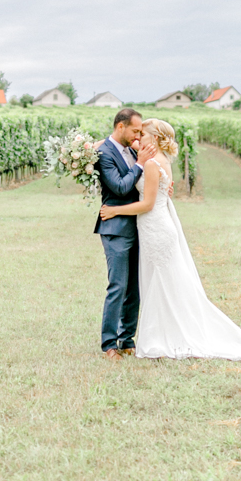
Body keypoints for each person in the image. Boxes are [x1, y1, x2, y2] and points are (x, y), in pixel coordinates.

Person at [100, 118, 241, 361]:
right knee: (165, 282)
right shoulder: (162, 161)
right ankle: (166, 333)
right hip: (158, 227)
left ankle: (163, 337)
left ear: (155, 139)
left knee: (159, 282)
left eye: (143, 135)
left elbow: (147, 203)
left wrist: (115, 211)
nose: (138, 139)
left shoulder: (149, 164)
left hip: (154, 227)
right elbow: (158, 190)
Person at [93, 108, 157, 360]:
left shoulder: (132, 150)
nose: (138, 135)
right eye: (135, 130)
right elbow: (119, 188)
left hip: (140, 225)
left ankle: (127, 337)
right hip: (115, 228)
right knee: (118, 285)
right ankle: (109, 344)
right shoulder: (104, 153)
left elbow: (142, 184)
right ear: (121, 126)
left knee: (134, 287)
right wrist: (140, 164)